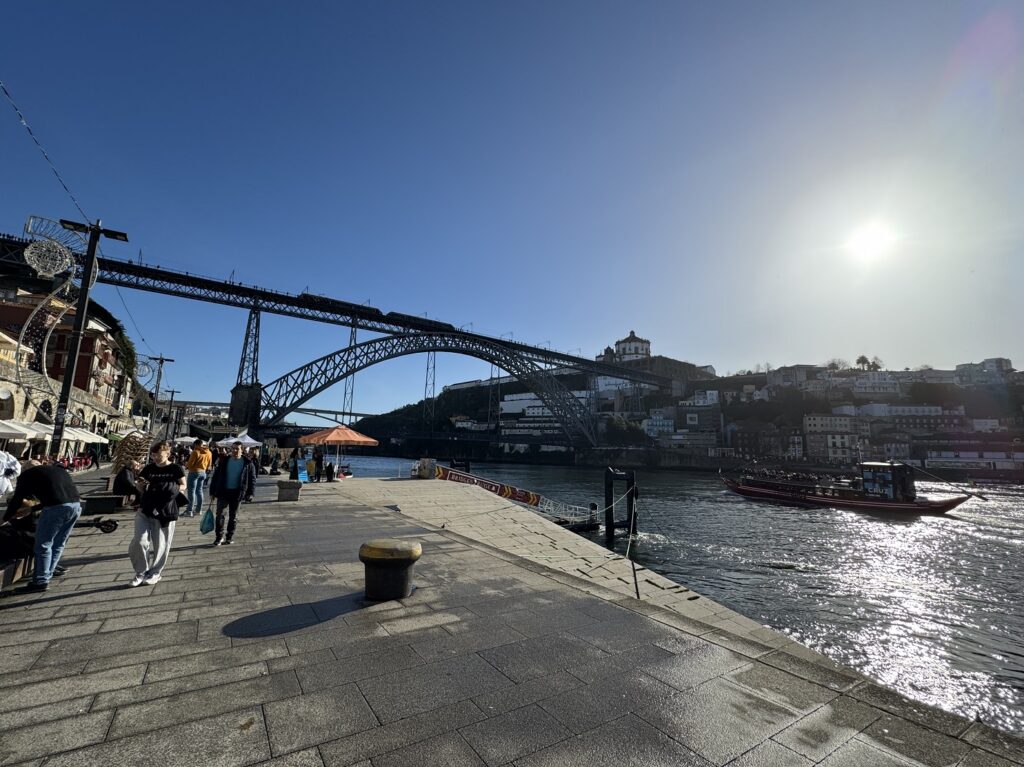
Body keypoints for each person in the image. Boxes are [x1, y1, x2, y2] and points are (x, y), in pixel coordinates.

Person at [3, 460, 81, 593]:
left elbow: (17, 498)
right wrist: (33, 509)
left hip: (56, 510)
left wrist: (5, 518)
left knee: (43, 544)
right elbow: (59, 496)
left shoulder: (28, 475)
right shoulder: (58, 471)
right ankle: (46, 575)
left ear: (25, 469)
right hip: (75, 506)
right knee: (58, 543)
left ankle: (40, 581)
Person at [129, 441, 185, 586]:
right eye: (153, 455)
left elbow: (183, 484)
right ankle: (141, 572)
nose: (154, 458)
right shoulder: (148, 468)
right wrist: (139, 486)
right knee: (139, 541)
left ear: (167, 453)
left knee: (161, 544)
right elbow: (140, 485)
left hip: (165, 510)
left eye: (158, 454)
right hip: (145, 508)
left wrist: (172, 490)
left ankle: (155, 573)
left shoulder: (175, 468)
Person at [209, 441, 255, 546]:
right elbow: (216, 477)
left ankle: (229, 537)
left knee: (233, 516)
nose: (234, 451)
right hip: (223, 491)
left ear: (242, 450)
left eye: (237, 449)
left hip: (238, 492)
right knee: (220, 515)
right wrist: (212, 492)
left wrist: (250, 493)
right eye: (233, 448)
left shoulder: (247, 463)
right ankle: (219, 537)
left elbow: (252, 479)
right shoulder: (224, 461)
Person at [184, 439, 213, 517]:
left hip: (194, 472)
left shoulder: (195, 452)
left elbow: (190, 463)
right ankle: (198, 510)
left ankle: (189, 511)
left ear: (197, 445)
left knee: (191, 491)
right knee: (199, 491)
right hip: (203, 473)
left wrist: (186, 466)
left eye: (194, 445)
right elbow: (209, 464)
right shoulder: (209, 452)